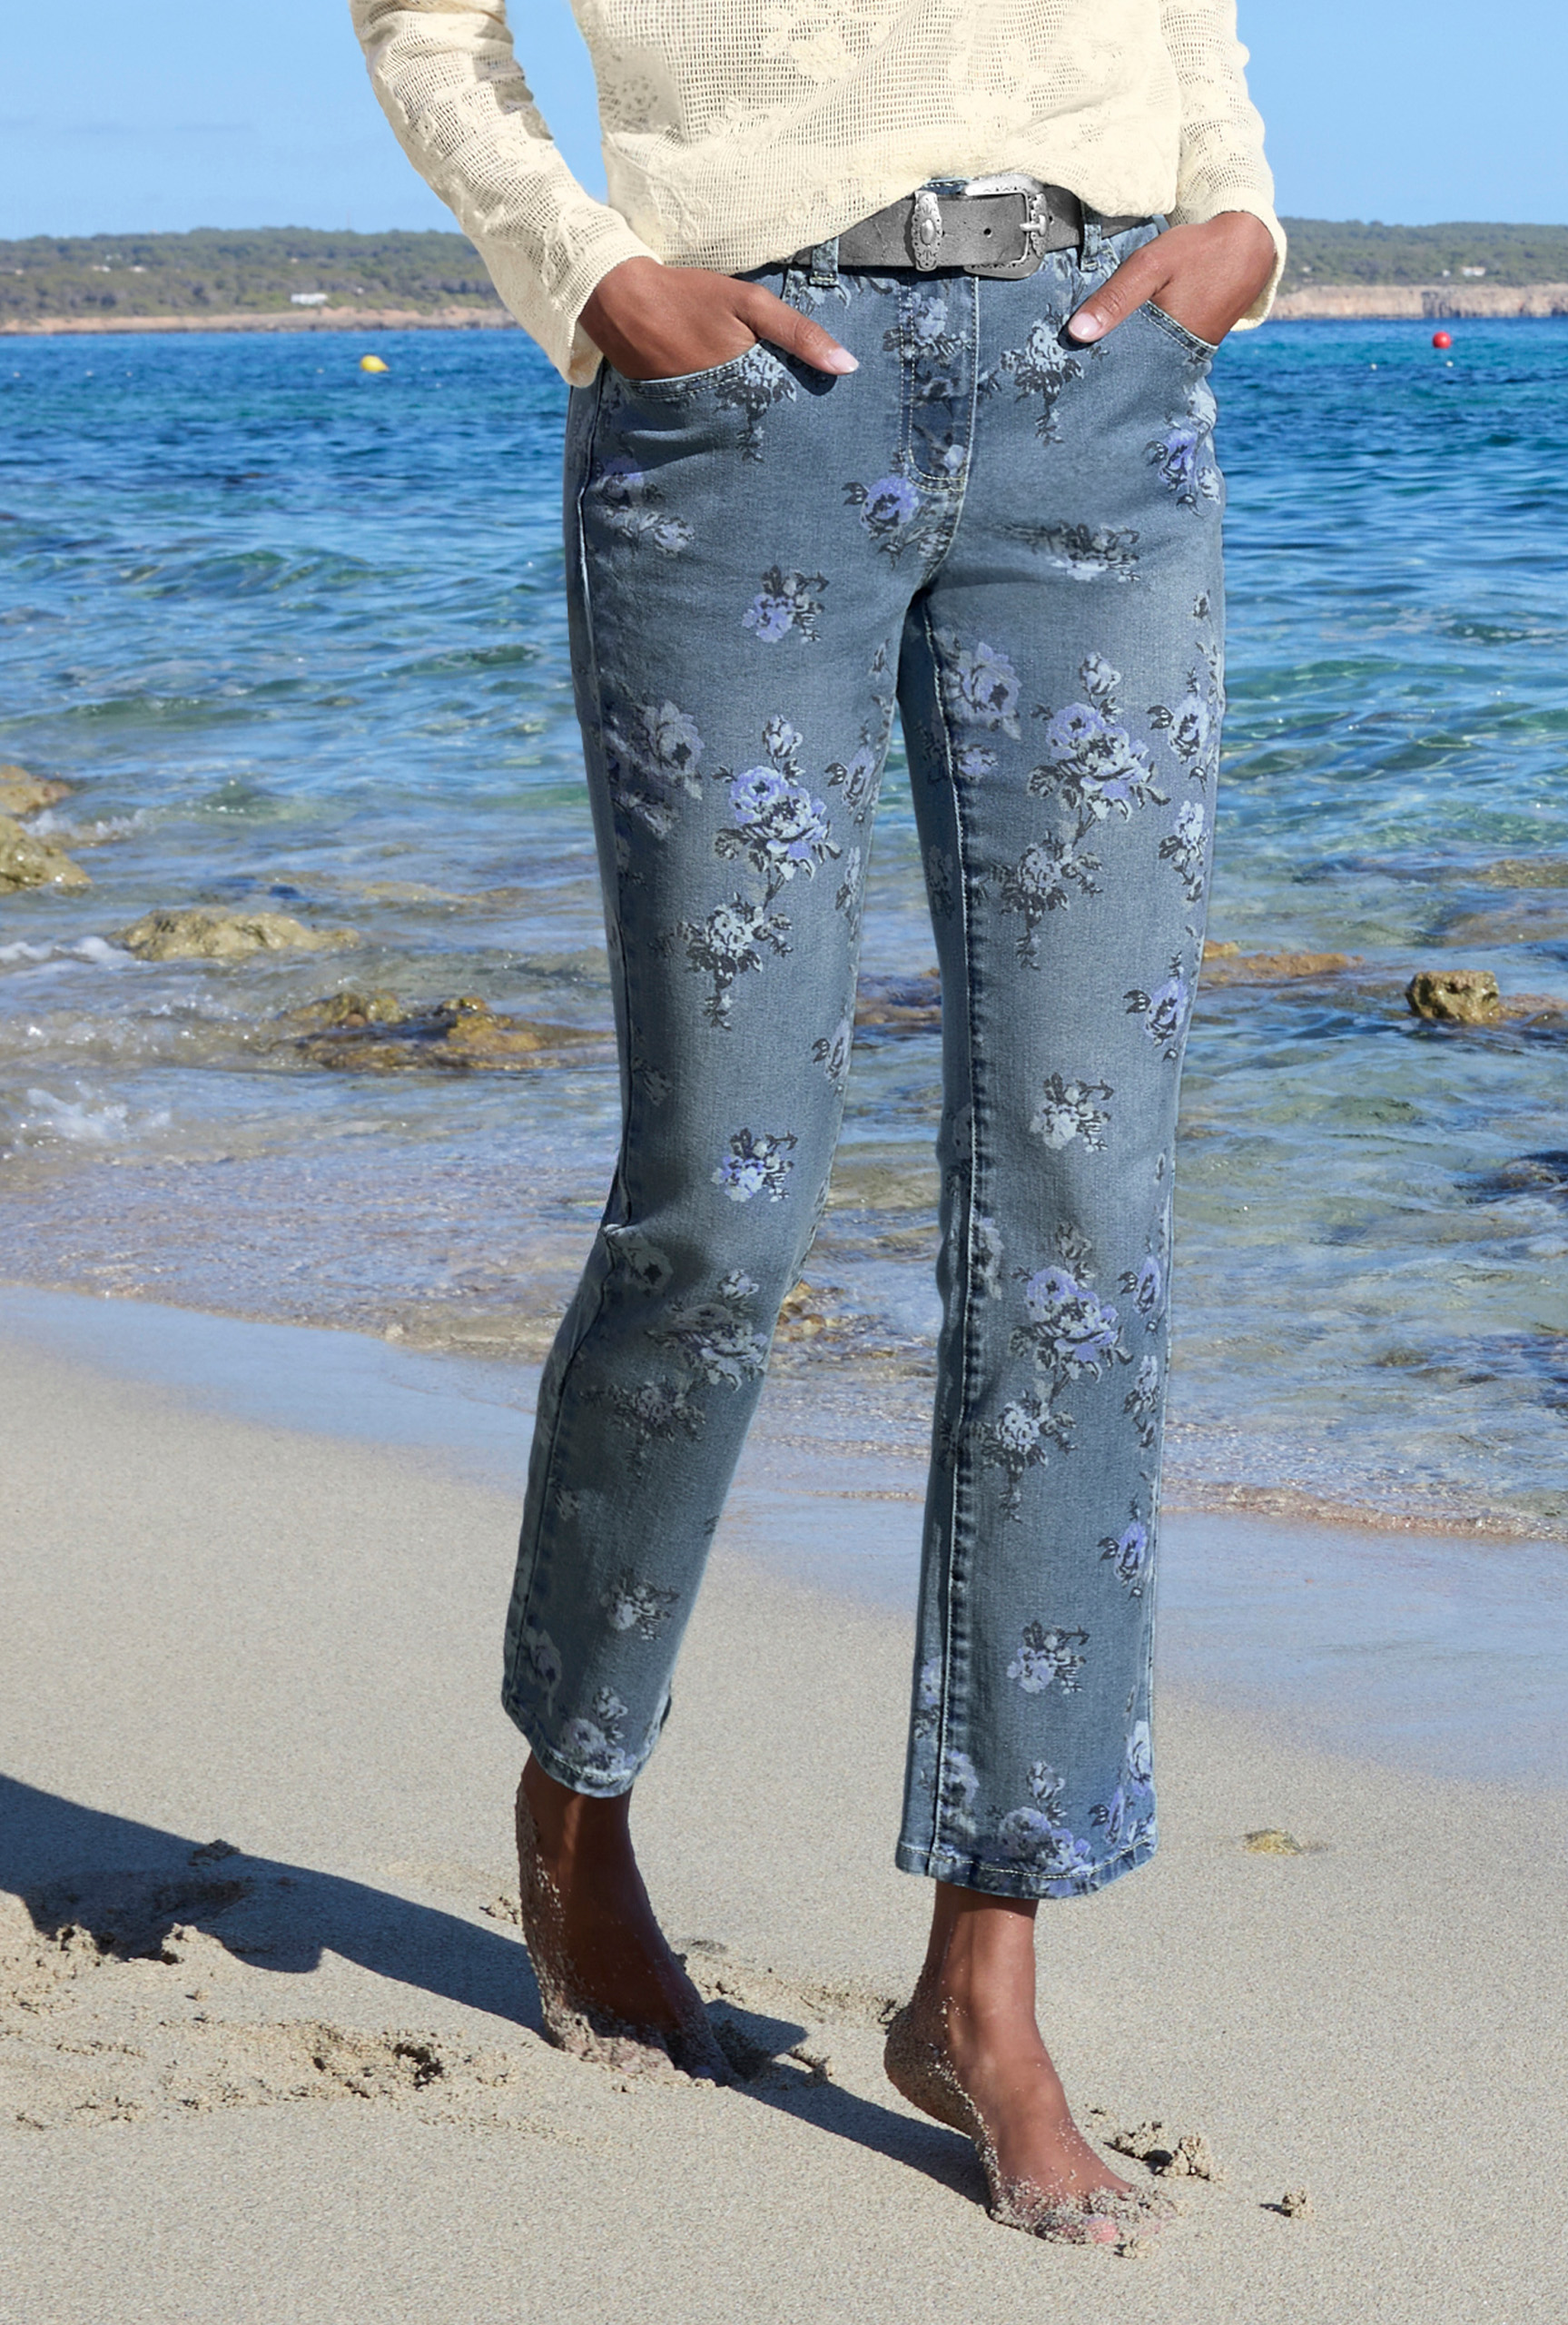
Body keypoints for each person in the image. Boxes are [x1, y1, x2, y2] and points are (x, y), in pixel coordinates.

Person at [352, 0, 1282, 2247]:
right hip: (738, 399)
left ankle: (988, 1974)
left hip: (1096, 385)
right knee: (726, 1192)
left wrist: (1240, 213)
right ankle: (577, 1797)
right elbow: (424, 23)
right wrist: (590, 268)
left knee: (1081, 1208)